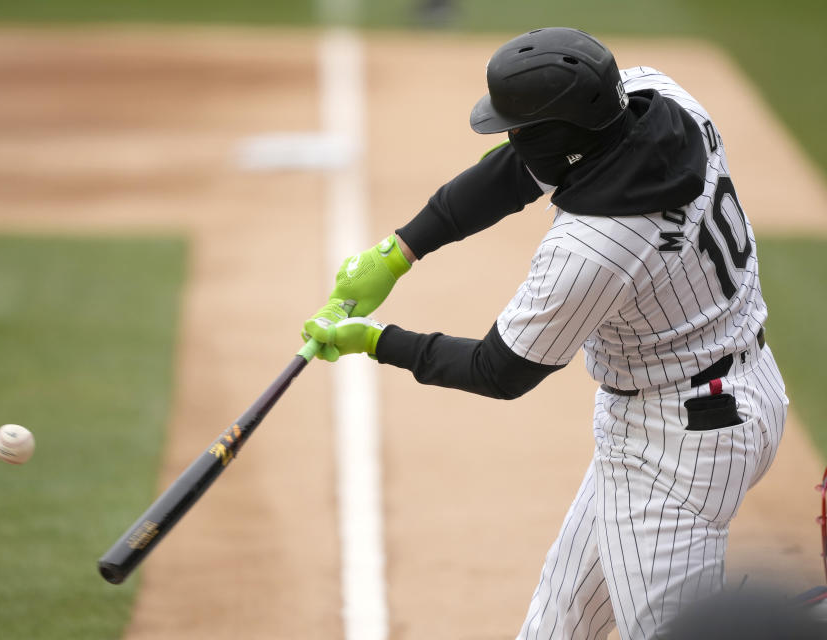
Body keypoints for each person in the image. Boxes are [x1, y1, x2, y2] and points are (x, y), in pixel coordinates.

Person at [302, 27, 790, 639]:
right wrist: (400, 250)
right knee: (558, 627)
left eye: (521, 129)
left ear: (559, 142)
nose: (509, 138)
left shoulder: (595, 248)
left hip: (675, 449)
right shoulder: (658, 100)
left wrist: (374, 339)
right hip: (723, 392)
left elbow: (498, 370)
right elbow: (518, 169)